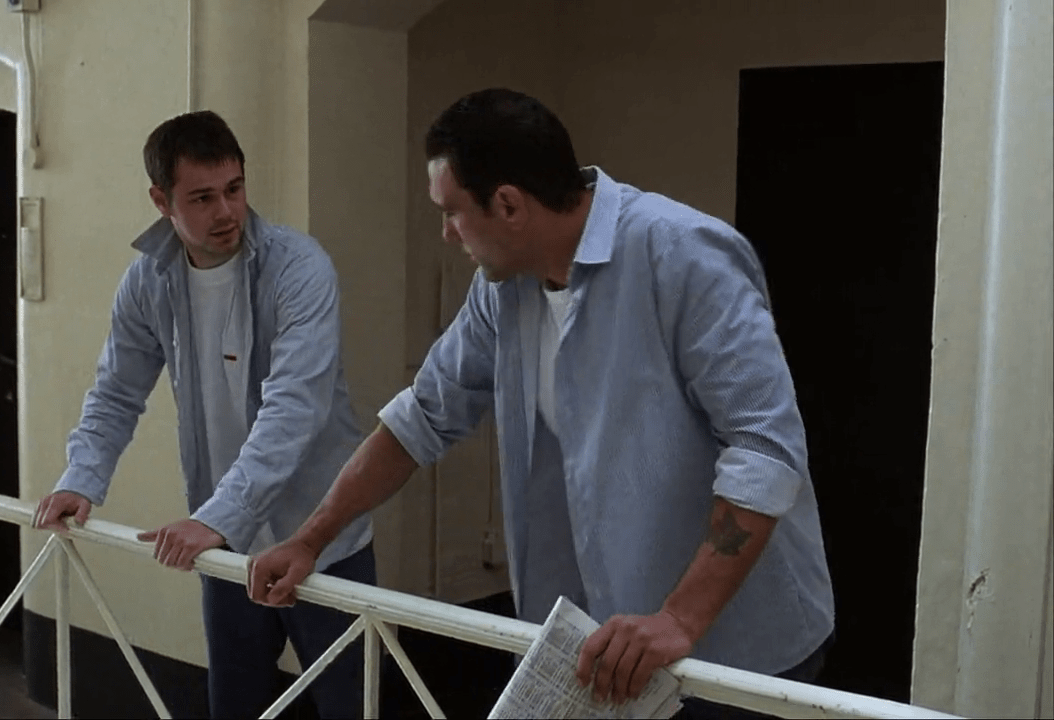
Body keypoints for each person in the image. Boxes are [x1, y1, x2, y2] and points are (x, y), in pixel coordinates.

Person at [246, 88, 836, 720]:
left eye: (452, 213)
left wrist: (678, 619)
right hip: (607, 650)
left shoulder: (683, 254)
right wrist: (310, 540)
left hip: (734, 655)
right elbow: (421, 417)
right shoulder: (504, 289)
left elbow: (764, 448)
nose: (446, 233)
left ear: (508, 204)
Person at [31, 111, 374, 720]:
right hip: (228, 548)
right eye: (202, 197)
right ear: (161, 201)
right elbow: (116, 391)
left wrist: (215, 519)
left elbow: (295, 407)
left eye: (234, 189)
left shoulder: (299, 267)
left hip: (320, 540)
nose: (226, 211)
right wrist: (81, 477)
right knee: (235, 707)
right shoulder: (149, 280)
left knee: (350, 707)